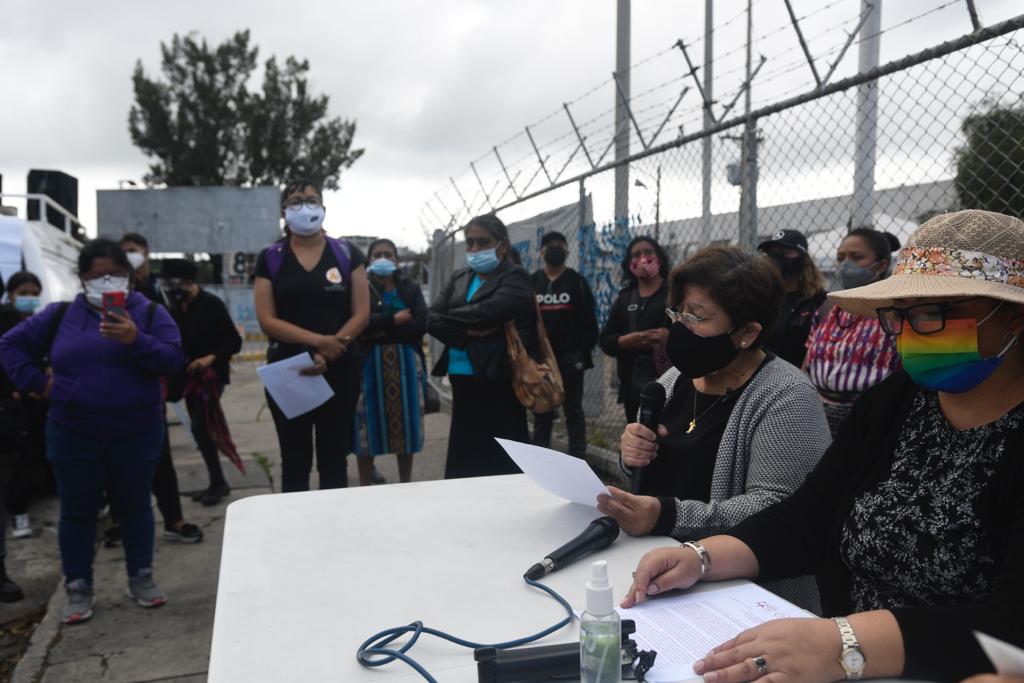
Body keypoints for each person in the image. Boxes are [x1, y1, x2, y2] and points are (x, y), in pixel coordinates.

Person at [622, 210, 1024, 682]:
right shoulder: (896, 402)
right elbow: (809, 516)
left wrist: (844, 645)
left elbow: (1011, 622)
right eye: (899, 316)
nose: (908, 335)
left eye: (932, 314)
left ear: (1013, 316)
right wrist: (703, 558)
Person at [596, 246, 830, 610]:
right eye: (679, 313)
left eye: (698, 317)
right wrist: (634, 454)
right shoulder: (676, 379)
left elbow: (779, 509)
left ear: (747, 333)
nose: (681, 327)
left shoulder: (787, 396)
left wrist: (667, 514)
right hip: (661, 571)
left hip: (749, 597)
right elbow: (654, 480)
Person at [0, 238, 185, 624]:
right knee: (78, 511)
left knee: (134, 505)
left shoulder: (149, 313)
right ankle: (78, 585)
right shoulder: (58, 316)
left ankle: (141, 577)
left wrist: (136, 341)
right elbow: (9, 345)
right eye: (97, 276)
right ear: (83, 278)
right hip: (73, 431)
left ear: (129, 277)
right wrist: (38, 383)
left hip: (137, 431)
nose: (107, 282)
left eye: (115, 275)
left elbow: (172, 360)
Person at [254, 180, 369, 492]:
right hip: (289, 369)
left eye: (311, 200)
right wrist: (319, 343)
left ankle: (333, 530)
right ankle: (296, 532)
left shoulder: (347, 253)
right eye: (295, 201)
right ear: (283, 212)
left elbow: (361, 313)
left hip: (341, 366)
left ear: (323, 208)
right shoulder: (270, 257)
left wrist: (332, 349)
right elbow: (267, 319)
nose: (304, 206)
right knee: (294, 458)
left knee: (334, 458)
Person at [427, 214, 536, 478]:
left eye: (482, 242)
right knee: (466, 449)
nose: (474, 249)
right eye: (470, 243)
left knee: (502, 451)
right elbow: (430, 318)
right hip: (461, 373)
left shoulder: (516, 276)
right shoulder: (460, 276)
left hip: (498, 374)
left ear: (502, 244)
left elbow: (491, 310)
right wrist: (467, 333)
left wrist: (455, 318)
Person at [115, 234, 203, 545]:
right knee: (117, 465)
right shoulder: (110, 290)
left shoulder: (161, 288)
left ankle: (173, 520)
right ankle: (118, 522)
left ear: (146, 253)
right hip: (115, 386)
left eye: (134, 251)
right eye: (124, 252)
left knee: (160, 459)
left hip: (155, 383)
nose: (129, 257)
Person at [804, 228, 902, 436]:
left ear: (882, 265)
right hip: (818, 417)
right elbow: (808, 362)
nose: (846, 265)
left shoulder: (895, 313)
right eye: (841, 258)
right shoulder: (829, 308)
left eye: (857, 257)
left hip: (874, 419)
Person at [160, 259, 243, 505]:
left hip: (210, 377)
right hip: (187, 378)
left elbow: (233, 341)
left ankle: (218, 482)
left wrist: (210, 358)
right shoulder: (175, 306)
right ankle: (216, 482)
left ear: (188, 282)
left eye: (173, 282)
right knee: (202, 432)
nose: (169, 287)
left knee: (201, 427)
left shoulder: (210, 304)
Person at [353, 239, 428, 485]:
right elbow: (358, 326)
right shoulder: (360, 288)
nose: (383, 258)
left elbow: (420, 323)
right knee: (366, 427)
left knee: (407, 425)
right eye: (377, 254)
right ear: (369, 260)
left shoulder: (409, 287)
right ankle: (365, 484)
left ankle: (405, 482)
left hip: (407, 366)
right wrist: (393, 322)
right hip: (368, 367)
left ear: (396, 259)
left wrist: (378, 330)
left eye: (388, 254)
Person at [530, 231, 599, 459]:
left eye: (559, 245)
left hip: (571, 361)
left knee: (573, 412)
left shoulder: (577, 282)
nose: (555, 248)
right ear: (541, 252)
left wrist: (580, 355)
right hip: (542, 363)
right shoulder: (533, 282)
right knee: (543, 412)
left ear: (568, 251)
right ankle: (540, 459)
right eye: (549, 245)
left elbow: (590, 323)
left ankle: (578, 458)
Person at [599, 235, 671, 422]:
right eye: (636, 254)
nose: (642, 258)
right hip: (633, 384)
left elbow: (694, 331)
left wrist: (668, 336)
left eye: (648, 252)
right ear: (628, 263)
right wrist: (627, 341)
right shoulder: (624, 298)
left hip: (671, 382)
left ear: (660, 258)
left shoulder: (675, 293)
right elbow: (605, 340)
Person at [4, 272, 53, 542]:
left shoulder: (41, 324)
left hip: (45, 402)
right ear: (11, 294)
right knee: (19, 462)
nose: (29, 298)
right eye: (23, 293)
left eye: (35, 293)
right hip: (16, 405)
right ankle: (18, 512)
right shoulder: (5, 324)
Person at [758, 229, 827, 367]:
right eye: (771, 253)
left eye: (783, 252)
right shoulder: (761, 296)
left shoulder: (819, 301)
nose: (775, 257)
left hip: (796, 379)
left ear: (802, 258)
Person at [120, 233, 161, 302]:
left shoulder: (156, 281)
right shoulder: (120, 282)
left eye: (132, 251)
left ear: (146, 252)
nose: (128, 255)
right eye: (124, 252)